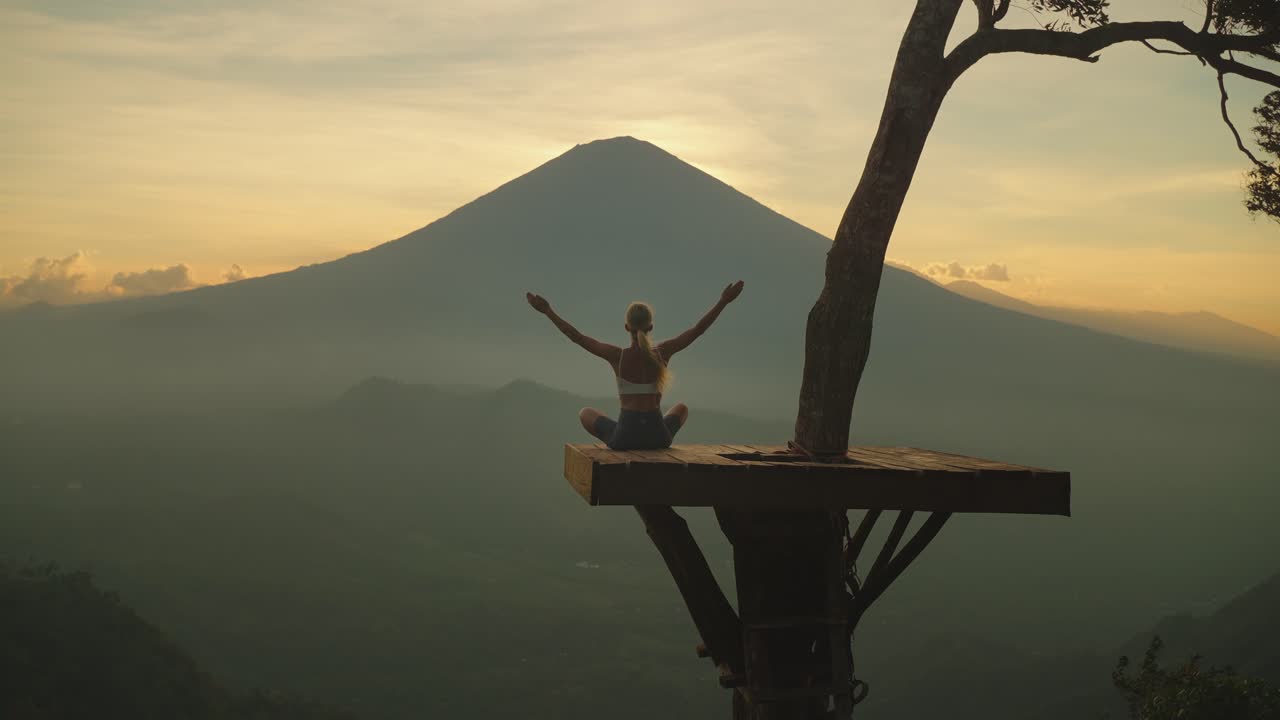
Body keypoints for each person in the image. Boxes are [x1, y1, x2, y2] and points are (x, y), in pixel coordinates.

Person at [525, 281, 745, 450]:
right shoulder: (663, 353)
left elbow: (577, 337)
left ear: (625, 326)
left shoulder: (617, 356)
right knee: (682, 408)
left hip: (624, 437)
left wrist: (548, 312)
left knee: (585, 413)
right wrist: (723, 301)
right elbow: (698, 330)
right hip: (658, 436)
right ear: (651, 326)